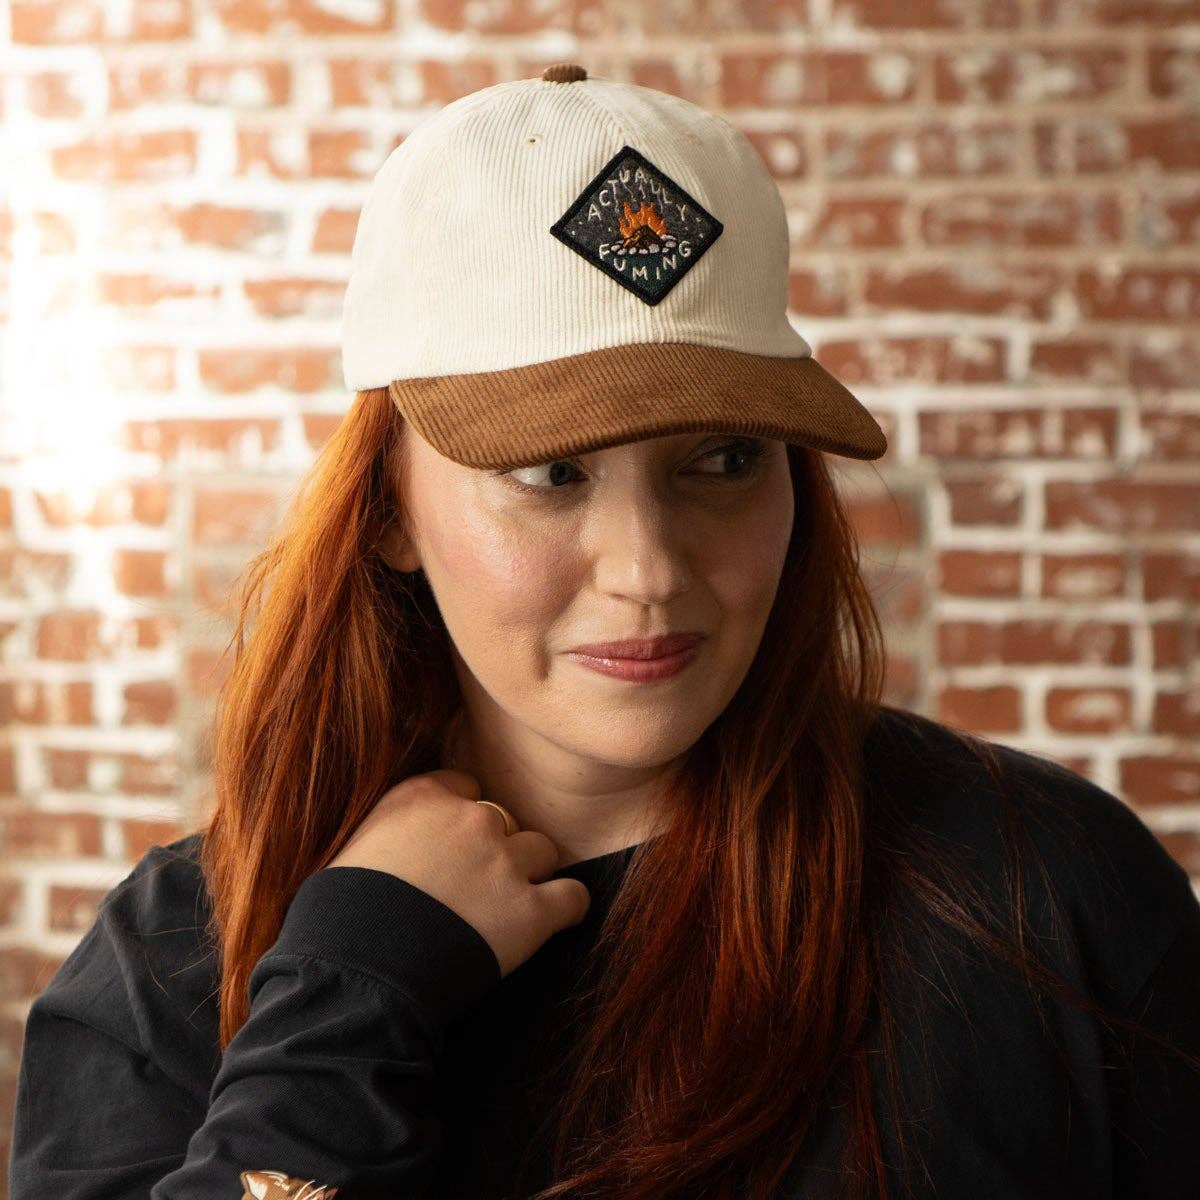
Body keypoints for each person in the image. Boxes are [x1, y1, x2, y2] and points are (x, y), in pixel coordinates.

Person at [9, 63, 1200, 1200]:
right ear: (387, 513)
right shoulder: (172, 963)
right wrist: (347, 995)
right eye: (550, 473)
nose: (648, 572)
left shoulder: (1045, 897)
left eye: (724, 461)